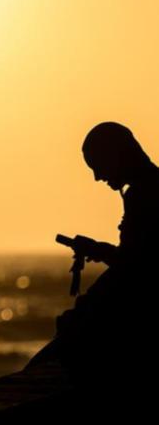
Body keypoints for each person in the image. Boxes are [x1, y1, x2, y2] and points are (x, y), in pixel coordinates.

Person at [30, 122, 159, 402]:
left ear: (117, 156)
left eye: (98, 166)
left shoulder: (143, 193)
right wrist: (100, 250)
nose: (98, 177)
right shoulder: (146, 188)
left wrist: (100, 252)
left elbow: (138, 267)